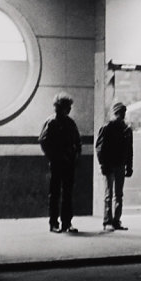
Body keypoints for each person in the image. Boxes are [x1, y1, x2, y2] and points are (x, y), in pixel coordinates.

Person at [38, 92, 82, 233]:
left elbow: (77, 141)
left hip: (68, 163)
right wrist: (54, 157)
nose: (69, 109)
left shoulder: (70, 123)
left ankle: (66, 222)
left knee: (67, 194)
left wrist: (75, 155)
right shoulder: (51, 122)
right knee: (55, 193)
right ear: (59, 107)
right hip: (57, 163)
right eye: (67, 106)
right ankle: (54, 223)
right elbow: (44, 142)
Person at [95, 101, 134, 231]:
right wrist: (128, 165)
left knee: (112, 194)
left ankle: (110, 221)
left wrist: (103, 164)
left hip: (114, 164)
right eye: (121, 112)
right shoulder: (125, 129)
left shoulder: (111, 127)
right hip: (115, 164)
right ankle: (113, 220)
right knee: (115, 194)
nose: (122, 115)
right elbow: (129, 150)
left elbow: (100, 147)